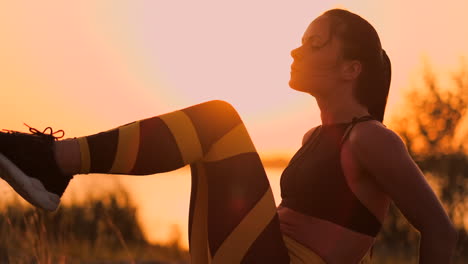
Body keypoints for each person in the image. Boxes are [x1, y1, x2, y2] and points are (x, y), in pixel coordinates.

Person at [0, 8, 458, 264]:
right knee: (203, 143)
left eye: (316, 42)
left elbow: (438, 228)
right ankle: (51, 165)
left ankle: (53, 162)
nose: (297, 49)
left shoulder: (371, 138)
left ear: (351, 69)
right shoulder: (312, 138)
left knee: (218, 121)